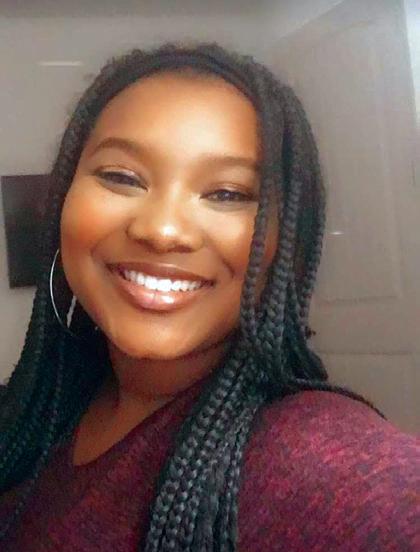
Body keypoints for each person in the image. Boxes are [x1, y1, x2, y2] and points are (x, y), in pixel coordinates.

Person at [0, 41, 418, 551]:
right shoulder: (36, 408)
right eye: (121, 177)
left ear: (287, 242)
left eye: (227, 194)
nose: (162, 230)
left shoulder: (317, 463)